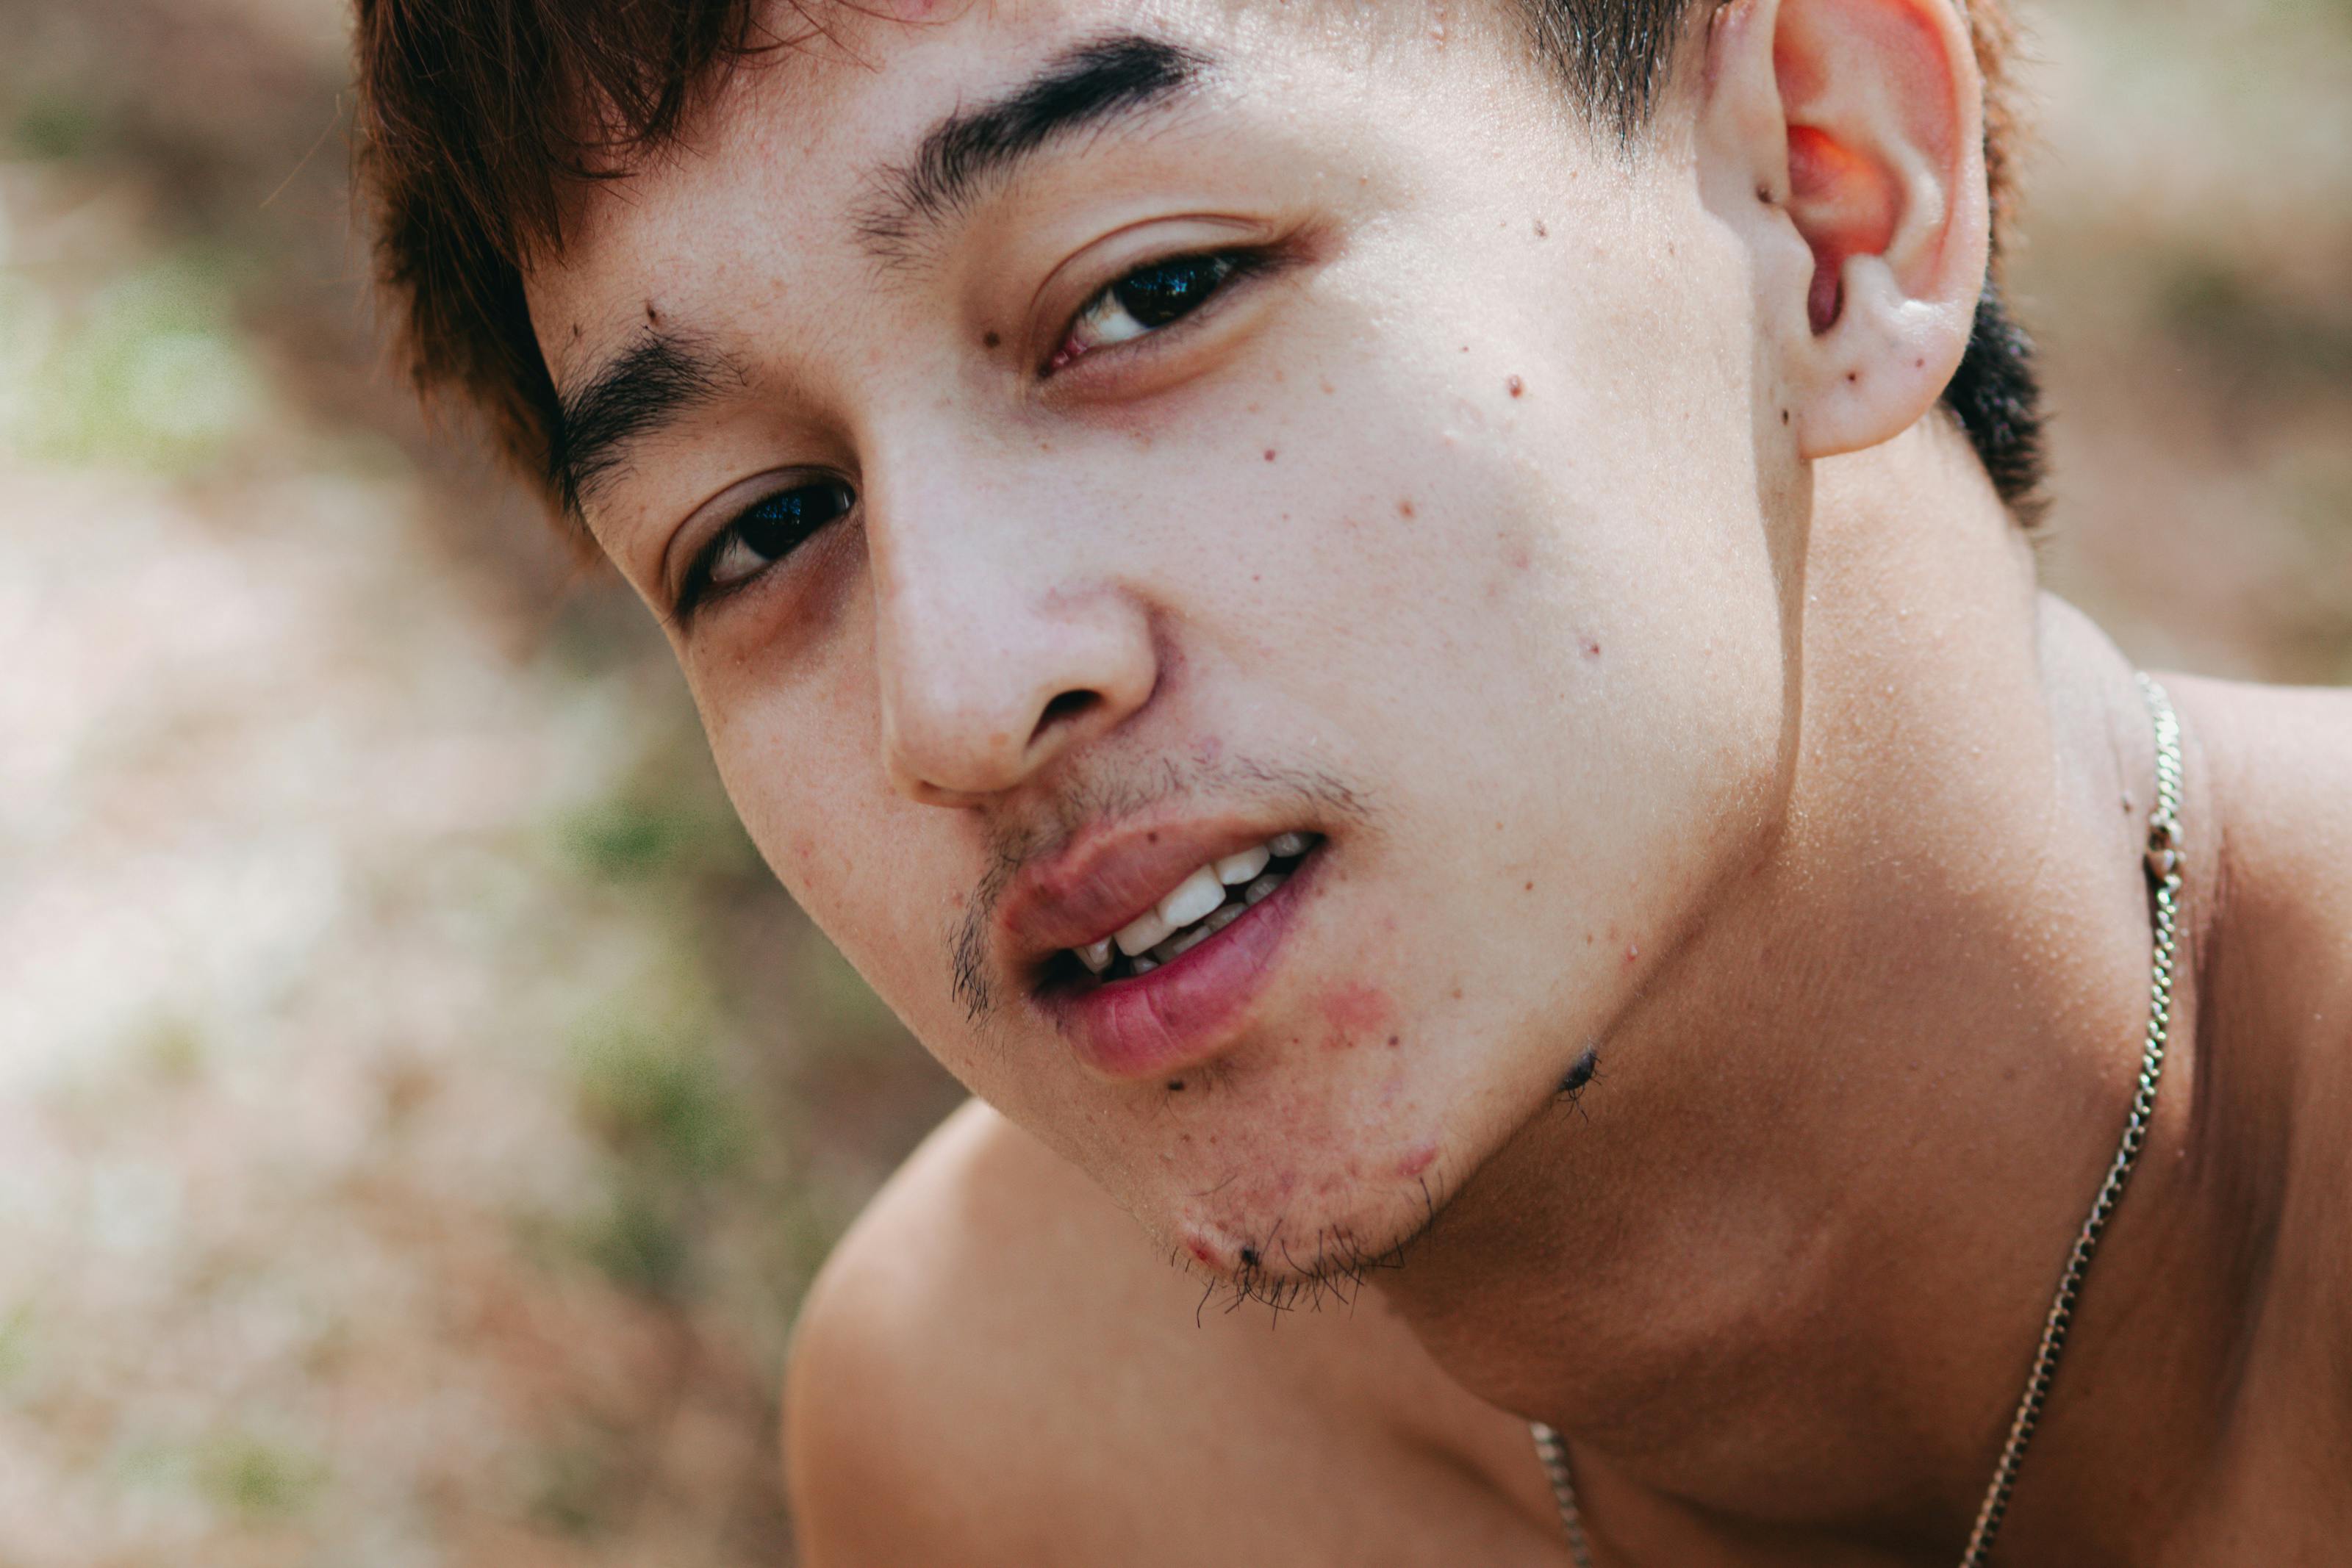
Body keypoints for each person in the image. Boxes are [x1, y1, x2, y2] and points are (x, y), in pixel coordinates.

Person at [348, 0, 2352, 1560]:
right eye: (762, 529)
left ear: (1827, 197)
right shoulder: (1015, 1453)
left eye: (1149, 291)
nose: (954, 694)